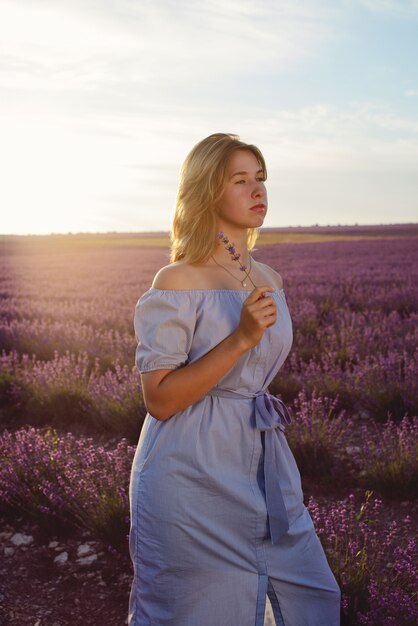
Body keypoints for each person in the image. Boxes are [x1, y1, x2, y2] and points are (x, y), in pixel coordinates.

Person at [128, 133, 341, 626]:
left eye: (261, 178)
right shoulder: (178, 280)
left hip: (264, 459)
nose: (257, 190)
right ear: (207, 192)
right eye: (240, 180)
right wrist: (240, 338)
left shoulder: (269, 276)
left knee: (313, 597)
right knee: (199, 611)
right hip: (190, 469)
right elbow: (158, 399)